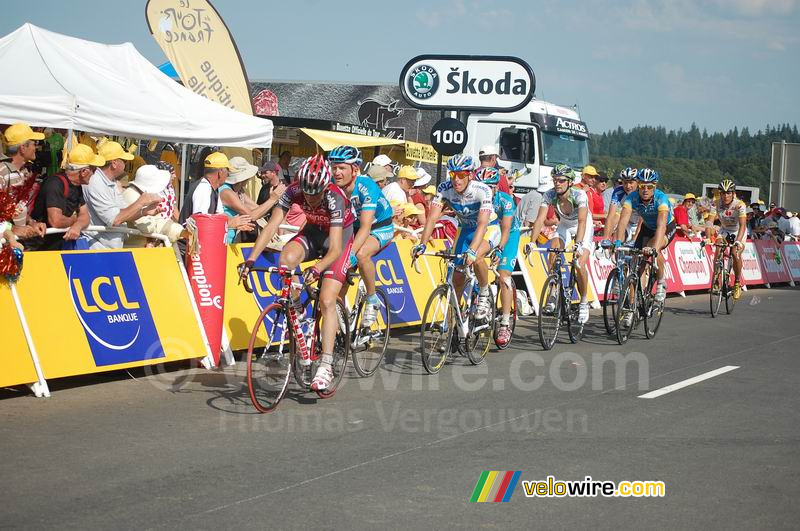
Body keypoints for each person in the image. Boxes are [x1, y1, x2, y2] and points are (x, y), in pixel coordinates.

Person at [241, 155, 355, 391]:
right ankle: (298, 310)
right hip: (314, 232)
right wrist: (251, 259)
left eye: (316, 194)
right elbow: (271, 225)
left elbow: (334, 249)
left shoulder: (335, 198)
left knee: (326, 300)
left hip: (338, 240)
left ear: (324, 187)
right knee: (286, 258)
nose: (311, 200)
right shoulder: (293, 191)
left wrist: (317, 268)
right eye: (307, 194)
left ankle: (325, 365)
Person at [413, 154, 498, 322]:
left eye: (461, 175)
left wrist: (472, 250)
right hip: (465, 229)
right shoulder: (444, 189)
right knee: (457, 279)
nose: (456, 180)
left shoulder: (482, 190)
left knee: (478, 256)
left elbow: (482, 224)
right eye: (453, 174)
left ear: (470, 175)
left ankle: (483, 291)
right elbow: (432, 219)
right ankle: (454, 322)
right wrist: (421, 244)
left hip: (487, 228)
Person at [328, 145, 394, 327]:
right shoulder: (333, 187)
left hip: (379, 226)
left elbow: (366, 226)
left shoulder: (367, 186)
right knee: (339, 276)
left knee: (360, 254)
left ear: (355, 169)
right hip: (354, 228)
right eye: (334, 168)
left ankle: (372, 299)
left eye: (342, 168)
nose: (337, 172)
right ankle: (344, 326)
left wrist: (351, 253)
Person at [527, 164, 592, 324]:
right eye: (555, 180)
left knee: (579, 264)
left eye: (561, 180)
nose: (557, 183)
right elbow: (540, 219)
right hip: (564, 225)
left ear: (570, 182)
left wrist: (579, 244)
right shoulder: (549, 195)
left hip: (582, 225)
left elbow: (583, 221)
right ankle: (554, 290)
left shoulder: (580, 195)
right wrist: (531, 242)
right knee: (553, 251)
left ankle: (583, 302)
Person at [614, 168, 675, 307]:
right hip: (647, 227)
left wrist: (654, 248)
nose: (645, 190)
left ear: (655, 187)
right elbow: (623, 220)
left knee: (654, 249)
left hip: (666, 227)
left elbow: (661, 226)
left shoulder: (661, 199)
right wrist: (618, 241)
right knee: (637, 264)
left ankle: (661, 282)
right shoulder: (632, 197)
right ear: (638, 186)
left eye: (649, 187)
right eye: (642, 186)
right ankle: (634, 303)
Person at [83, 140, 160, 249]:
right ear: (114, 163)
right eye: (124, 161)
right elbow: (115, 220)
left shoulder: (111, 181)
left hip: (109, 247)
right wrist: (140, 202)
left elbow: (124, 213)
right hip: (97, 247)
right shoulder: (95, 182)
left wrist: (144, 211)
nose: (126, 165)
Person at [475, 166, 520, 346]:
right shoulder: (476, 199)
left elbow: (506, 228)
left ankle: (505, 322)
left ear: (496, 187)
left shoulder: (506, 200)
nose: (486, 189)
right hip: (488, 232)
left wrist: (500, 248)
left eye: (490, 186)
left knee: (503, 277)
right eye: (482, 185)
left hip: (508, 235)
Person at [29, 144, 100, 250]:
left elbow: (85, 217)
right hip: (40, 249)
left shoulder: (77, 186)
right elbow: (56, 221)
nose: (94, 174)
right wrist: (75, 219)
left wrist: (77, 226)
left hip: (58, 246)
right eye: (93, 170)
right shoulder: (55, 183)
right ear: (84, 172)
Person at [179, 152, 253, 236]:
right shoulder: (204, 189)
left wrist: (235, 223)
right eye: (227, 171)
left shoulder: (214, 189)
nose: (228, 174)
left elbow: (220, 216)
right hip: (187, 246)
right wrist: (231, 223)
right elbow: (201, 223)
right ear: (220, 172)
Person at [122, 165, 192, 247]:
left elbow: (158, 220)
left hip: (144, 247)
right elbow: (147, 227)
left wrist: (180, 231)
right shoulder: (131, 195)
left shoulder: (142, 195)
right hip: (134, 249)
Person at [1, 123, 47, 245]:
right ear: (22, 148)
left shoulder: (24, 171)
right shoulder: (2, 172)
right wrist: (14, 229)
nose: (36, 147)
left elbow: (17, 208)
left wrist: (32, 222)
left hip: (14, 244)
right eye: (33, 143)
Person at [219, 157, 282, 243]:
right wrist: (272, 199)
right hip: (224, 240)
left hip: (233, 239)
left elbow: (257, 208)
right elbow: (252, 215)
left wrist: (275, 204)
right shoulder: (226, 191)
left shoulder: (239, 190)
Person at [705, 179, 748, 299]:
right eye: (723, 193)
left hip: (738, 231)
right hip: (725, 230)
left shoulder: (740, 205)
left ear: (733, 193)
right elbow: (709, 221)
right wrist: (707, 237)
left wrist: (738, 241)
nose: (725, 196)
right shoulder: (716, 203)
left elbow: (743, 225)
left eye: (728, 193)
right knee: (718, 248)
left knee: (735, 253)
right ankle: (716, 280)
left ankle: (737, 283)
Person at [603, 167, 640, 243]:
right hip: (628, 223)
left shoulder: (642, 193)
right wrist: (606, 238)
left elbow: (643, 220)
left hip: (641, 225)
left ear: (637, 182)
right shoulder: (618, 192)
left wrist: (634, 238)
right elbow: (610, 215)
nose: (628, 186)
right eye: (625, 183)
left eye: (631, 182)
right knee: (617, 237)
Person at [579, 165, 606, 232]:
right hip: (580, 226)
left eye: (595, 177)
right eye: (591, 177)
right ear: (583, 176)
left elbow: (589, 212)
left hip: (589, 224)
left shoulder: (589, 190)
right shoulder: (577, 188)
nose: (593, 180)